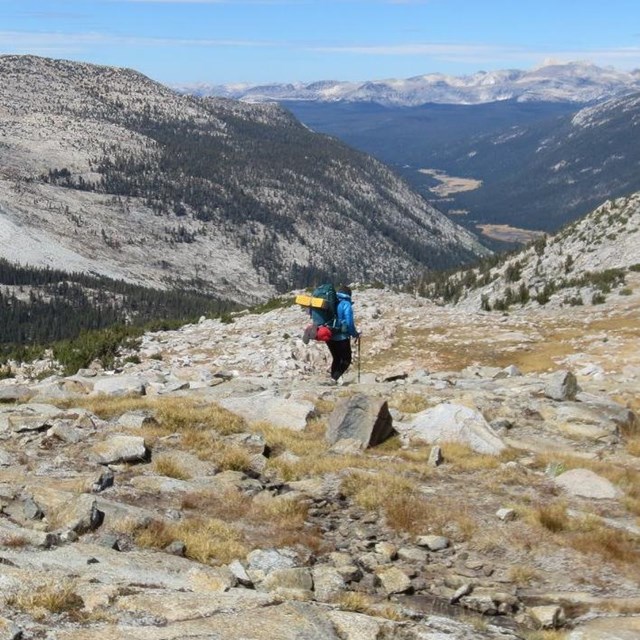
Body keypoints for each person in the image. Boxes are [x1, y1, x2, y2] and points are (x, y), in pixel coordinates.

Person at [327, 285, 360, 383]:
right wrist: (355, 334)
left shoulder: (332, 301)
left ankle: (333, 380)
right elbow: (349, 322)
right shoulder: (346, 304)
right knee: (346, 359)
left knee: (336, 358)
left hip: (328, 334)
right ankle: (334, 379)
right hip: (341, 336)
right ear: (349, 295)